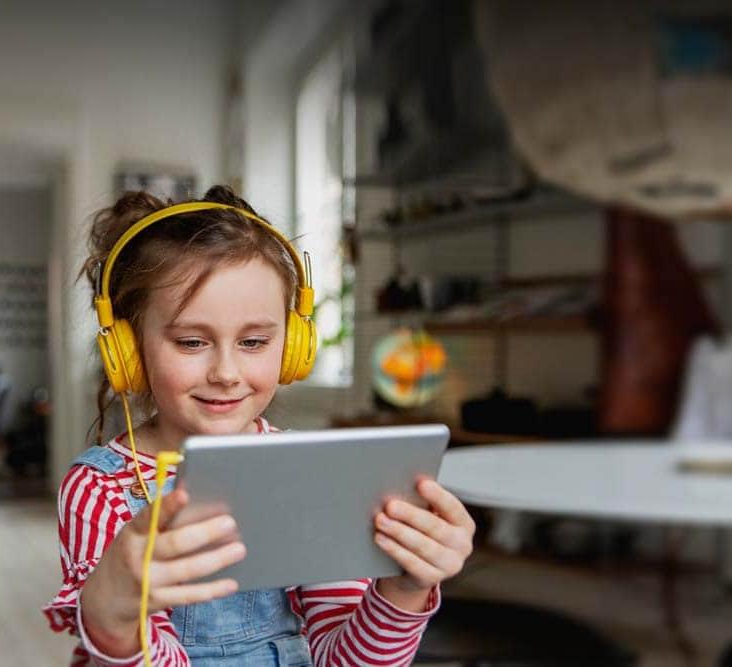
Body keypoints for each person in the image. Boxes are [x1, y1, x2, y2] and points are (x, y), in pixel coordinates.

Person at [44, 185, 475, 665]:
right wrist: (113, 616)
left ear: (292, 347)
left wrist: (404, 589)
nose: (226, 373)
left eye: (253, 342)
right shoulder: (101, 488)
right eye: (190, 342)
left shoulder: (313, 474)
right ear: (128, 352)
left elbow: (345, 660)